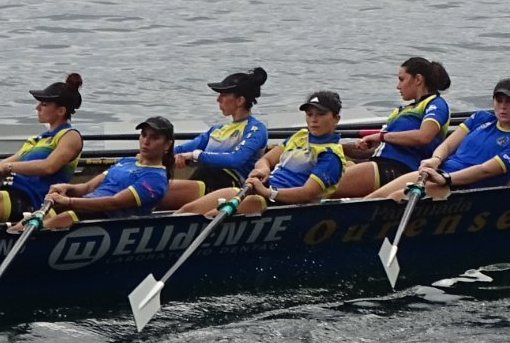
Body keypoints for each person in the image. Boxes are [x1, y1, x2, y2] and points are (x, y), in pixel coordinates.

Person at [181, 91, 348, 214]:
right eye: (309, 114)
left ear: (336, 118)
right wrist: (263, 170)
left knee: (214, 214)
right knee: (188, 210)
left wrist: (268, 192)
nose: (313, 120)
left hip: (281, 205)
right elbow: (266, 160)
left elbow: (307, 192)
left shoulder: (330, 155)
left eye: (321, 114)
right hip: (261, 191)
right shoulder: (300, 135)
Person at [372, 78, 510, 199]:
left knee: (393, 199)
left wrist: (446, 179)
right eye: (499, 100)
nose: (503, 106)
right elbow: (448, 145)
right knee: (376, 198)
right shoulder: (481, 118)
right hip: (438, 173)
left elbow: (484, 170)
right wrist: (435, 159)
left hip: (462, 187)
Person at [0, 72, 86, 224]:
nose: (37, 107)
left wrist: (7, 168)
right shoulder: (36, 140)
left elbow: (48, 167)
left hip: (32, 201)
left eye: (44, 105)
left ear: (61, 111)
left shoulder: (70, 136)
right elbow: (3, 164)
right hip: (9, 192)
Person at [335, 56, 452, 199]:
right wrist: (341, 148)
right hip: (379, 163)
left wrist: (381, 136)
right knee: (326, 166)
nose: (398, 86)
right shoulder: (401, 111)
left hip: (400, 169)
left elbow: (424, 136)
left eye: (402, 79)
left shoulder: (436, 104)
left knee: (324, 186)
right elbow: (378, 147)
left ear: (418, 79)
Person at [163, 67, 270, 209]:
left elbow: (236, 159)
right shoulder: (217, 130)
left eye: (224, 94)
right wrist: (157, 154)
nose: (218, 99)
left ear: (240, 101)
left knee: (209, 171)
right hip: (208, 181)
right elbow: (182, 149)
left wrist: (195, 155)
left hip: (235, 188)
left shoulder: (256, 129)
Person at [43, 118, 178, 228]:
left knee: (65, 216)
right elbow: (87, 187)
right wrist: (66, 188)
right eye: (144, 135)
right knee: (33, 218)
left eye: (154, 138)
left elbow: (114, 202)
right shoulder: (127, 161)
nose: (146, 141)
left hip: (109, 220)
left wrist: (69, 201)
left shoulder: (155, 179)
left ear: (167, 145)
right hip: (84, 207)